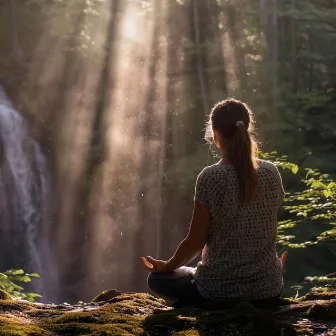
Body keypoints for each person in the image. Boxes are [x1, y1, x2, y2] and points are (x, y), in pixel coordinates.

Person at [141, 98, 288, 305]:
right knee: (185, 272)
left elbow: (195, 242)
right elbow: (266, 228)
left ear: (215, 133)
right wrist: (273, 268)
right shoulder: (271, 172)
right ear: (247, 129)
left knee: (157, 279)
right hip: (268, 289)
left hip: (218, 290)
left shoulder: (211, 177)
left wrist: (167, 266)